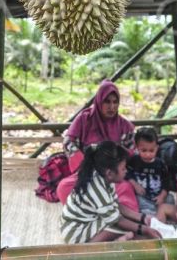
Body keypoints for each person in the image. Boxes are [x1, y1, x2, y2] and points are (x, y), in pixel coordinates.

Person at [56, 80, 138, 210]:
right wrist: (85, 163)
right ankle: (97, 209)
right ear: (99, 101)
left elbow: (131, 151)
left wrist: (115, 161)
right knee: (64, 188)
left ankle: (108, 211)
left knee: (126, 191)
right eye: (107, 101)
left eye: (115, 102)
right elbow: (68, 142)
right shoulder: (84, 119)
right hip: (88, 173)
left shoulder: (123, 126)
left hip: (111, 175)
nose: (112, 106)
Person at [61, 141, 161, 243]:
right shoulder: (97, 189)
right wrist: (144, 229)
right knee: (118, 227)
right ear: (109, 173)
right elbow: (116, 220)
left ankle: (118, 239)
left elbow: (115, 204)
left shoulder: (105, 178)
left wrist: (142, 218)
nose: (126, 171)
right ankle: (90, 247)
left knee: (126, 225)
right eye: (123, 168)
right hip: (75, 231)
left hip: (88, 220)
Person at [127, 127, 174, 221]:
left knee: (170, 198)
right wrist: (135, 185)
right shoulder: (133, 161)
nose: (148, 154)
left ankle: (157, 213)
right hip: (143, 197)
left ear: (157, 147)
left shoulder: (160, 164)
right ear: (136, 147)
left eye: (151, 150)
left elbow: (167, 182)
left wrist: (162, 196)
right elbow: (127, 173)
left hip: (158, 196)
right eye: (144, 151)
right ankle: (153, 215)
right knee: (136, 200)